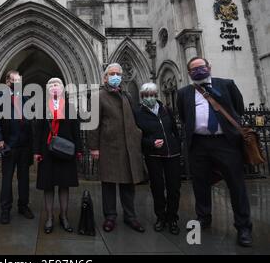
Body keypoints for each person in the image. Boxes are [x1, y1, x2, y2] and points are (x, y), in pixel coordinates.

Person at [177, 57, 253, 247]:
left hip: (225, 142)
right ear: (189, 73)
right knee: (200, 184)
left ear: (209, 67)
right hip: (199, 144)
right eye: (194, 69)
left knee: (236, 185)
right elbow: (183, 115)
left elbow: (239, 108)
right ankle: (203, 217)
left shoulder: (226, 85)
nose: (198, 71)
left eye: (201, 67)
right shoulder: (183, 93)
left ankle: (243, 227)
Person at [88, 63, 146, 233]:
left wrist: (138, 135)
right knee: (109, 183)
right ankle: (110, 216)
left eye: (118, 74)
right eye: (112, 73)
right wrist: (94, 147)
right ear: (105, 77)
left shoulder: (127, 95)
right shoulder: (98, 96)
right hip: (108, 146)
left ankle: (130, 216)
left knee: (128, 184)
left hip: (128, 146)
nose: (115, 76)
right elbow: (93, 124)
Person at [33, 78, 82, 234]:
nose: (55, 87)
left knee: (64, 185)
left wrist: (79, 150)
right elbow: (37, 132)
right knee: (48, 186)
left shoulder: (70, 108)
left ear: (63, 89)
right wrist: (36, 151)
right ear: (48, 89)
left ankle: (64, 216)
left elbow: (76, 131)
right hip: (47, 151)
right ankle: (49, 217)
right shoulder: (41, 108)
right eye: (52, 85)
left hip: (65, 151)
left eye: (58, 85)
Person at [135, 83, 181, 235]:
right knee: (157, 187)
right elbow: (137, 136)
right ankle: (161, 217)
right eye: (147, 95)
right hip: (153, 155)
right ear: (142, 97)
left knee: (174, 187)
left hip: (172, 154)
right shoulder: (139, 113)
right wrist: (150, 143)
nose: (150, 97)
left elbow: (175, 130)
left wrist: (176, 145)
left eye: (153, 94)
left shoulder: (165, 110)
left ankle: (172, 217)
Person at [0, 70, 34, 224]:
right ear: (8, 81)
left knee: (24, 178)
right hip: (9, 145)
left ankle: (23, 206)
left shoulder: (25, 98)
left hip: (24, 146)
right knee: (7, 178)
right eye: (15, 80)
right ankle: (5, 209)